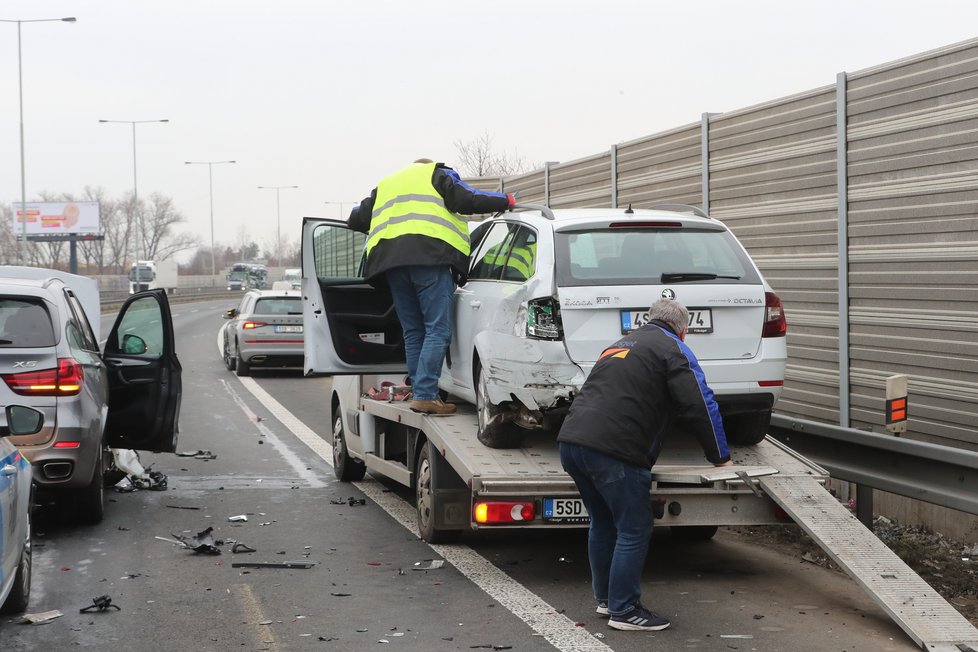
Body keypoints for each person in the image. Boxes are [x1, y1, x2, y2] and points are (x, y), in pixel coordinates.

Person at [557, 298, 733, 632]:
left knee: (603, 522)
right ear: (683, 329)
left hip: (572, 442)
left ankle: (607, 599)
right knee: (634, 527)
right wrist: (720, 456)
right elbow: (699, 402)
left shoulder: (618, 345)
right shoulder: (673, 348)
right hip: (614, 451)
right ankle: (624, 611)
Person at [349, 159, 514, 414]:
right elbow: (466, 199)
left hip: (391, 266)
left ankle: (419, 390)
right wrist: (505, 201)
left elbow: (356, 219)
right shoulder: (437, 174)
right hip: (429, 259)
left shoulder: (387, 185)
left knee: (414, 331)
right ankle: (426, 394)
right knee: (437, 330)